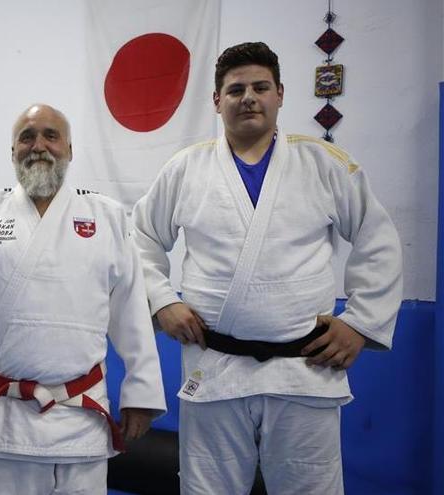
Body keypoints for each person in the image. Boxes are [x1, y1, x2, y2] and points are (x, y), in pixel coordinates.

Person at [132, 42, 403, 494]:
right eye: (235, 89)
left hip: (305, 369)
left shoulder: (324, 164)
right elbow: (139, 237)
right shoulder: (185, 169)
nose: (248, 97)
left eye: (260, 86)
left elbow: (380, 240)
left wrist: (359, 323)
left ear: (280, 93)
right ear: (217, 101)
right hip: (214, 366)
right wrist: (162, 301)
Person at [0, 104, 167, 495]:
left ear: (69, 148)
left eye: (51, 136)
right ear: (12, 150)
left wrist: (142, 392)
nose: (39, 146)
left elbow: (131, 311)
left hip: (80, 414)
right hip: (2, 412)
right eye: (27, 137)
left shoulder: (108, 216)